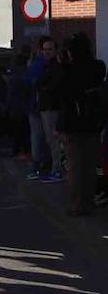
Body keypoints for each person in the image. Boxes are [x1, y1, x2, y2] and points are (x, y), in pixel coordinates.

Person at [52, 33, 107, 215]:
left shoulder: (67, 70)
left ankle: (77, 204)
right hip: (92, 121)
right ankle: (89, 201)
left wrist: (62, 64)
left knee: (74, 166)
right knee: (90, 165)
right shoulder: (98, 67)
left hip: (71, 123)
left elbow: (59, 90)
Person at [28, 35, 65, 181]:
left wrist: (42, 87)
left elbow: (53, 86)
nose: (47, 52)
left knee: (53, 140)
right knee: (49, 140)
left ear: (55, 50)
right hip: (45, 106)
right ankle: (53, 169)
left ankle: (57, 170)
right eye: (44, 50)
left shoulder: (55, 66)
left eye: (50, 49)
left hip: (52, 107)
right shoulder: (46, 65)